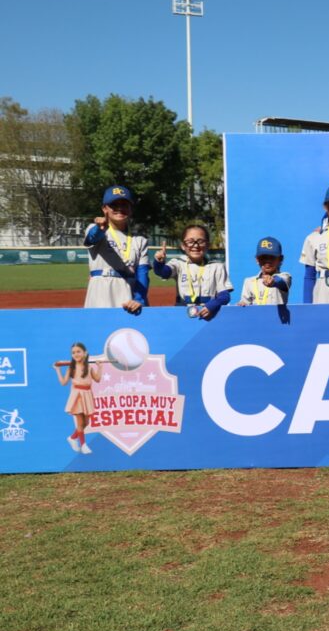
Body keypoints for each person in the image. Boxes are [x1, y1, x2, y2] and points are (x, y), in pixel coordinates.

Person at [83, 185, 150, 314]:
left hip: (127, 291)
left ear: (131, 209)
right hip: (100, 289)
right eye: (114, 205)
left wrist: (139, 299)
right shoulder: (94, 228)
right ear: (104, 209)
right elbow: (92, 238)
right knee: (98, 325)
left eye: (124, 205)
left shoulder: (140, 240)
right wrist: (99, 229)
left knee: (125, 326)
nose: (120, 208)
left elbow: (143, 273)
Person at [153, 224, 233, 320]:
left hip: (208, 315)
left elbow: (224, 296)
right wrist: (159, 262)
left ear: (208, 245)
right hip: (182, 314)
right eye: (190, 241)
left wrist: (212, 305)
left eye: (200, 241)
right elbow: (162, 272)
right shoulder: (178, 263)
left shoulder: (217, 267)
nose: (195, 245)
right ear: (183, 246)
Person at [54, 342, 101, 454]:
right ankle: (83, 445)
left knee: (86, 423)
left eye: (78, 351)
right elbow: (63, 382)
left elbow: (97, 379)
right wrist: (57, 370)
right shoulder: (71, 368)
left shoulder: (89, 367)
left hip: (87, 394)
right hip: (77, 396)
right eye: (73, 352)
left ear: (85, 353)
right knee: (80, 423)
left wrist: (100, 367)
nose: (76, 354)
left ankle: (72, 438)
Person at [238, 236, 292, 306]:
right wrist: (242, 305)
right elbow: (245, 304)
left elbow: (281, 282)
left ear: (280, 259)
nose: (267, 261)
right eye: (263, 257)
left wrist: (273, 281)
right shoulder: (249, 282)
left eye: (272, 257)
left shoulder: (285, 276)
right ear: (257, 259)